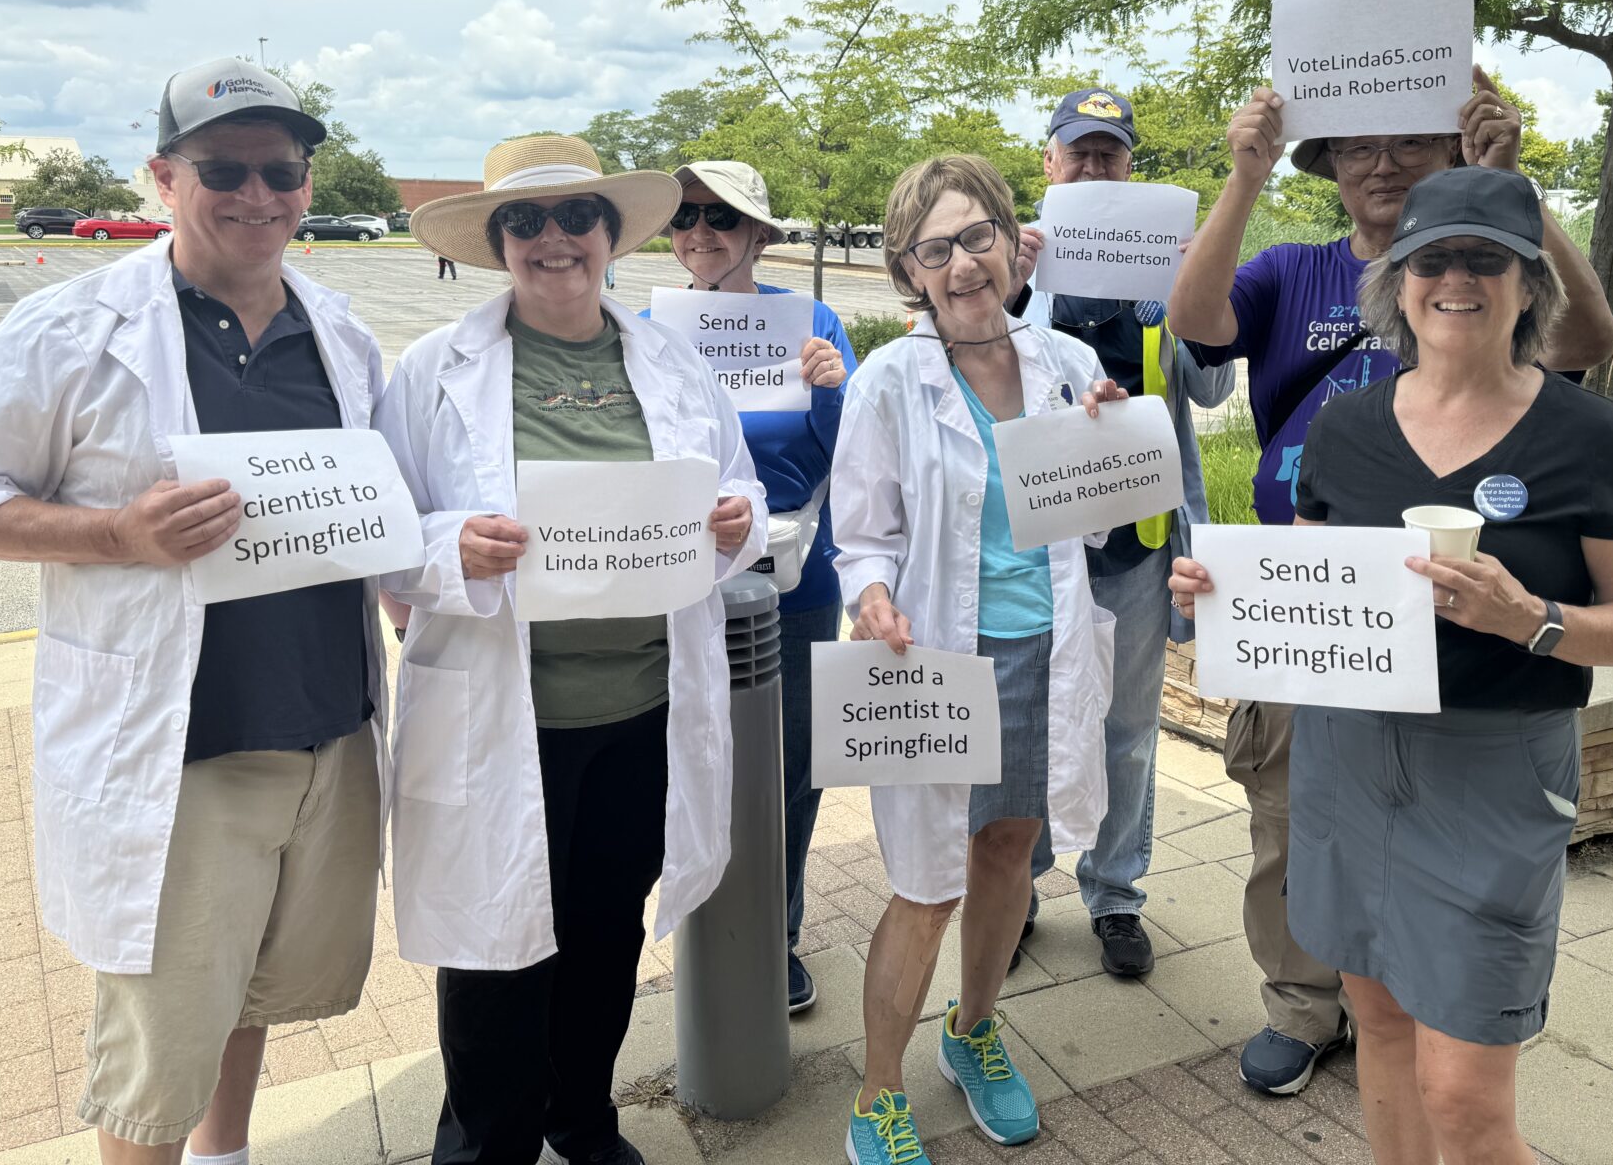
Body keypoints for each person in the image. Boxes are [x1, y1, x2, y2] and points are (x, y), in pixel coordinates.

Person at [1171, 165, 1613, 1163]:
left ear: (1529, 283)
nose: (1458, 279)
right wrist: (1228, 596)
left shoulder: (1590, 435)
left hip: (1493, 774)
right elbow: (1315, 584)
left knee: (1468, 1100)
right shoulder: (1348, 428)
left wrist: (1530, 617)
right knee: (1386, 1037)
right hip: (1348, 762)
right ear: (1397, 281)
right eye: (1432, 258)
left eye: (1485, 259)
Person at [0, 57, 387, 1165]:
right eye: (223, 169)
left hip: (327, 727)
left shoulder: (342, 333)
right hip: (179, 748)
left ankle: (225, 1155)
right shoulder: (69, 330)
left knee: (250, 988)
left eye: (281, 170)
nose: (257, 196)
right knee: (156, 1051)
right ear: (163, 175)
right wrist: (113, 536)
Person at [375, 134, 765, 1165]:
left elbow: (739, 486)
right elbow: (382, 532)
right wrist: (444, 546)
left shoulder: (669, 361)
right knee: (496, 952)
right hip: (507, 723)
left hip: (642, 713)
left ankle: (582, 1119)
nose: (555, 240)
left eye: (577, 218)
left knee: (604, 939)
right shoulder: (434, 372)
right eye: (526, 222)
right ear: (498, 241)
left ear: (610, 235)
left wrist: (735, 525)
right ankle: (487, 1145)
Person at [834, 155, 1120, 1163]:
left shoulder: (1072, 366)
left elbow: (1110, 517)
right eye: (935, 248)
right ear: (908, 270)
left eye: (976, 237)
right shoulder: (888, 382)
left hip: (1047, 650)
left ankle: (972, 1032)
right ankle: (877, 1095)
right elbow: (859, 534)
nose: (961, 263)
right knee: (924, 882)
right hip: (936, 663)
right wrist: (869, 592)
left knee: (1007, 851)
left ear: (1011, 240)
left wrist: (1116, 443)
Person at [1009, 88, 1236, 981]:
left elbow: (1212, 394)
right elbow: (971, 363)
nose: (1096, 165)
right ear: (1050, 161)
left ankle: (1114, 894)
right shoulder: (1014, 260)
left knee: (1127, 730)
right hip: (1038, 544)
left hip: (1139, 544)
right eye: (1080, 150)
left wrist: (1201, 289)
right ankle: (1016, 884)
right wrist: (1015, 281)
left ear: (1129, 162)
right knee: (1028, 724)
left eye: (1111, 152)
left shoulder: (1162, 262)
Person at [654, 159, 855, 1015]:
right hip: (683, 580)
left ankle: (776, 932)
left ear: (762, 235)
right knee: (689, 754)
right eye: (685, 217)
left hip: (794, 581)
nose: (699, 233)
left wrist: (834, 393)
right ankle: (701, 925)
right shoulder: (647, 330)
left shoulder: (812, 324)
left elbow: (858, 459)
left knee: (793, 764)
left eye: (721, 219)